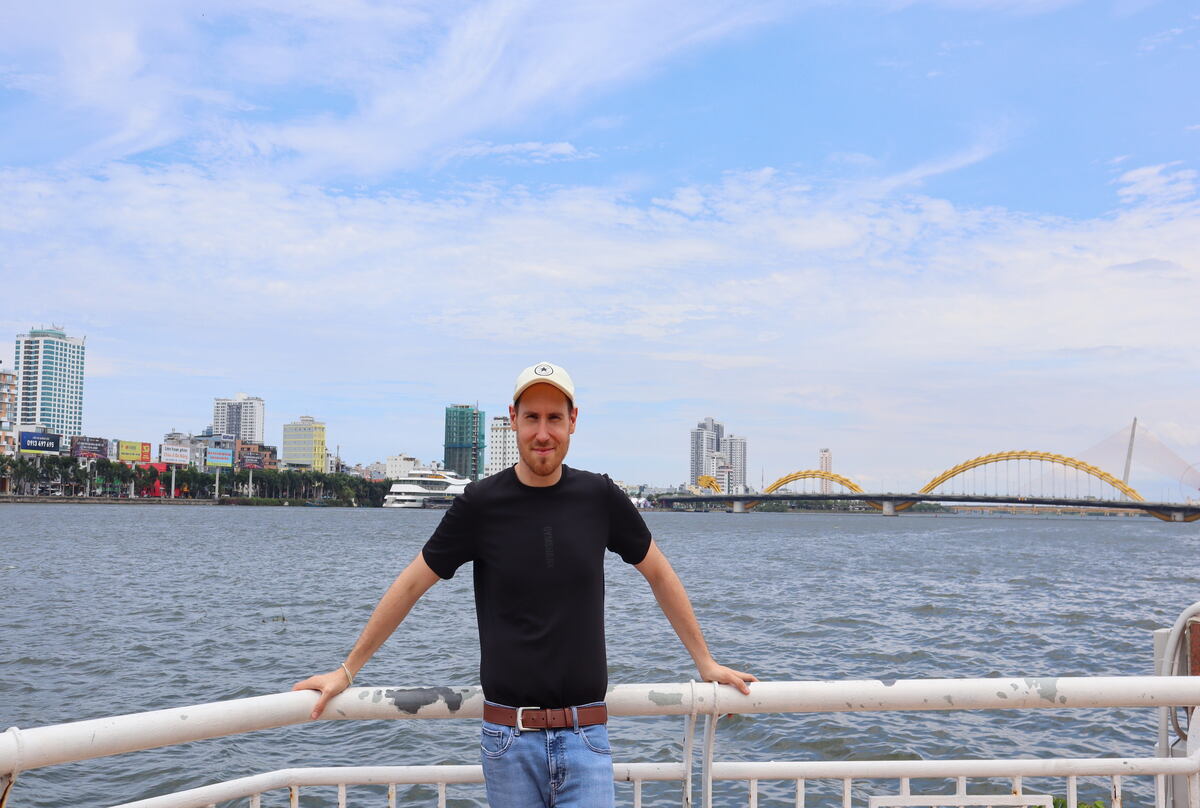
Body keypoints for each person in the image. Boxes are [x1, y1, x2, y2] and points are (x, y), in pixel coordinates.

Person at [293, 361, 755, 807]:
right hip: (507, 739)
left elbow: (658, 573)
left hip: (587, 735)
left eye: (555, 418)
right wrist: (347, 671)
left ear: (573, 422)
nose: (542, 433)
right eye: (531, 417)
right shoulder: (481, 504)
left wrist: (705, 662)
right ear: (512, 421)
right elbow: (412, 585)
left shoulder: (600, 497)